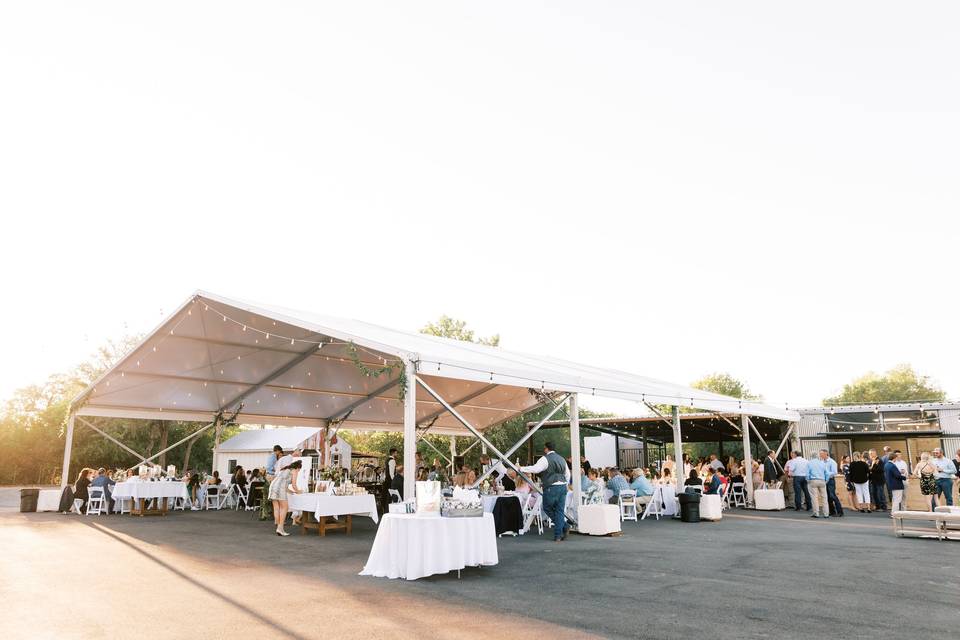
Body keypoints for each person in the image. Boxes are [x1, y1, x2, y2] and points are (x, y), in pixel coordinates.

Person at [519, 442, 570, 542]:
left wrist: (521, 468)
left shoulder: (545, 458)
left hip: (551, 486)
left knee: (547, 508)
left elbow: (536, 469)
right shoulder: (562, 459)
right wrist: (566, 484)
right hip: (563, 486)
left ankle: (564, 527)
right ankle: (559, 534)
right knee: (559, 510)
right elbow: (567, 474)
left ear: (546, 449)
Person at [268, 459, 302, 536]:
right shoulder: (295, 470)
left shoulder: (285, 469)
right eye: (299, 470)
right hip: (280, 488)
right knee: (284, 508)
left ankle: (278, 524)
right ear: (298, 468)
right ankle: (280, 528)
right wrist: (298, 491)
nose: (299, 471)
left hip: (273, 487)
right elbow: (294, 484)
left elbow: (283, 484)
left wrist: (292, 492)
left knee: (277, 507)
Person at [806, 452, 829, 518]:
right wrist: (826, 480)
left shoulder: (809, 463)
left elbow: (807, 474)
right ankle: (826, 513)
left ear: (811, 456)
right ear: (817, 456)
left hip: (813, 481)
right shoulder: (822, 463)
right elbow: (827, 473)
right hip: (822, 481)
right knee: (824, 497)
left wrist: (808, 480)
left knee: (814, 498)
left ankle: (816, 513)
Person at [821, 450, 843, 517]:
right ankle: (832, 511)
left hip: (830, 480)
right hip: (824, 480)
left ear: (826, 454)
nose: (820, 455)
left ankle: (840, 512)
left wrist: (827, 473)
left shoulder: (832, 462)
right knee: (827, 497)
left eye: (821, 454)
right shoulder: (821, 462)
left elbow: (834, 472)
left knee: (832, 496)